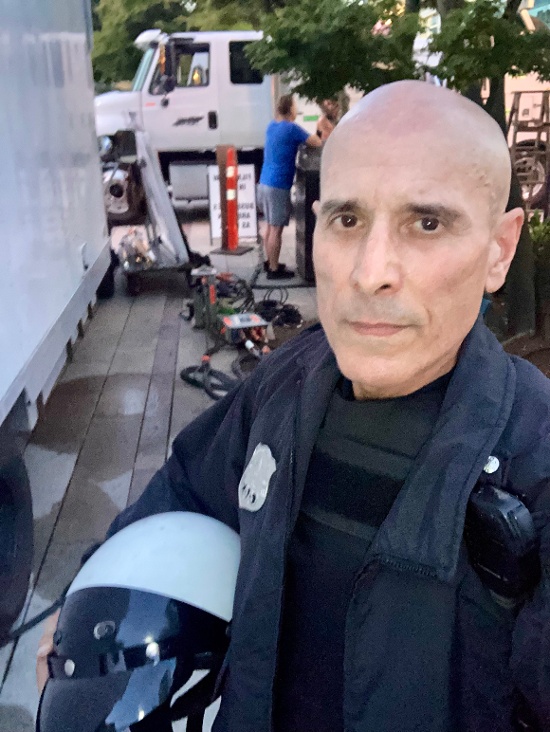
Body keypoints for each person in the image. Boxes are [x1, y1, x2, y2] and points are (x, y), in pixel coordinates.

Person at [38, 80, 550, 731]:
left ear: (499, 249)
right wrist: (91, 599)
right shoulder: (287, 384)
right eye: (347, 220)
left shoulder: (534, 461)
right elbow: (189, 489)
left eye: (427, 223)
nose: (370, 272)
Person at [257, 94, 322, 280]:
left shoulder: (271, 126)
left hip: (265, 182)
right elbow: (316, 142)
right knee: (276, 229)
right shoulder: (291, 128)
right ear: (290, 109)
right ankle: (274, 269)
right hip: (278, 185)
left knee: (270, 226)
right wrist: (318, 131)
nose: (296, 110)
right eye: (295, 106)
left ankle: (270, 262)